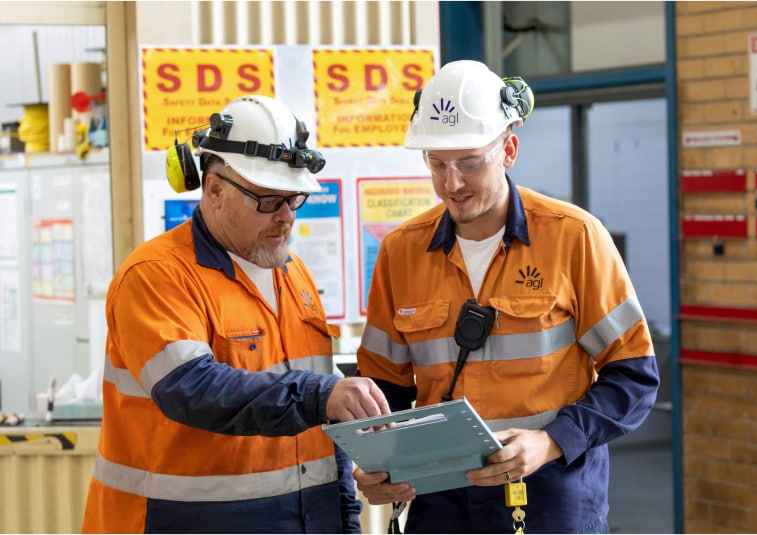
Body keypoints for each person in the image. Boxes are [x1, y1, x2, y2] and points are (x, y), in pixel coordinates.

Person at [353, 60, 660, 534]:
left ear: (509, 149)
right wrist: (379, 461)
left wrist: (551, 441)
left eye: (470, 163)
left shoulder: (574, 238)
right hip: (441, 501)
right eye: (437, 164)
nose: (452, 184)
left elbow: (634, 377)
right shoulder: (400, 252)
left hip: (552, 495)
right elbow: (384, 388)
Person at [82, 95, 391, 534]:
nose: (286, 218)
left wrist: (345, 520)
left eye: (294, 198)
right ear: (215, 190)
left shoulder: (293, 274)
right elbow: (189, 388)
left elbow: (323, 431)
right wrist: (318, 396)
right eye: (268, 200)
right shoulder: (156, 276)